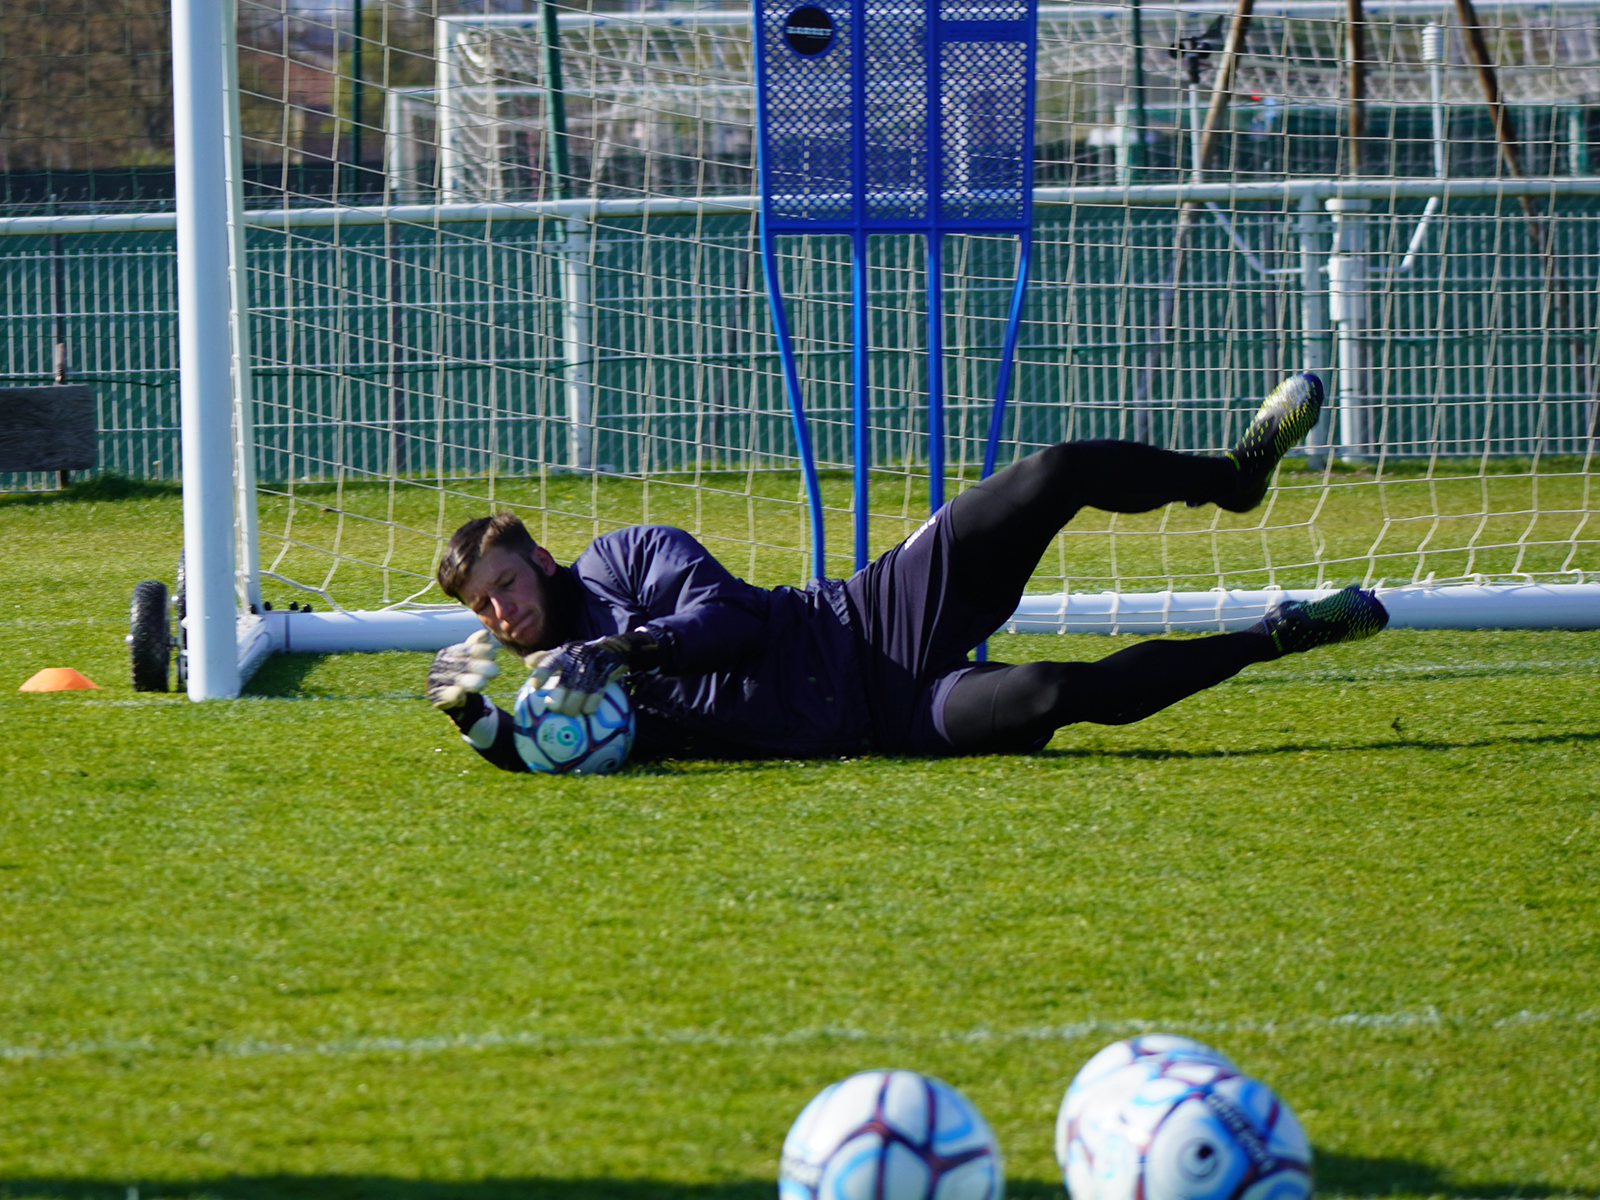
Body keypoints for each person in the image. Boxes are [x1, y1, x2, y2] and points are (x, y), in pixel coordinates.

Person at [425, 372, 1387, 768]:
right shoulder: (562, 695)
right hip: (890, 718)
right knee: (1057, 693)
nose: (500, 612)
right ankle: (1277, 636)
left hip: (868, 614)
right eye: (480, 605)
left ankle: (1232, 478)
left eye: (504, 584)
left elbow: (733, 620)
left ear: (540, 559)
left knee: (1053, 472)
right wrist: (473, 718)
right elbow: (542, 753)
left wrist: (622, 648)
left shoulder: (623, 556)